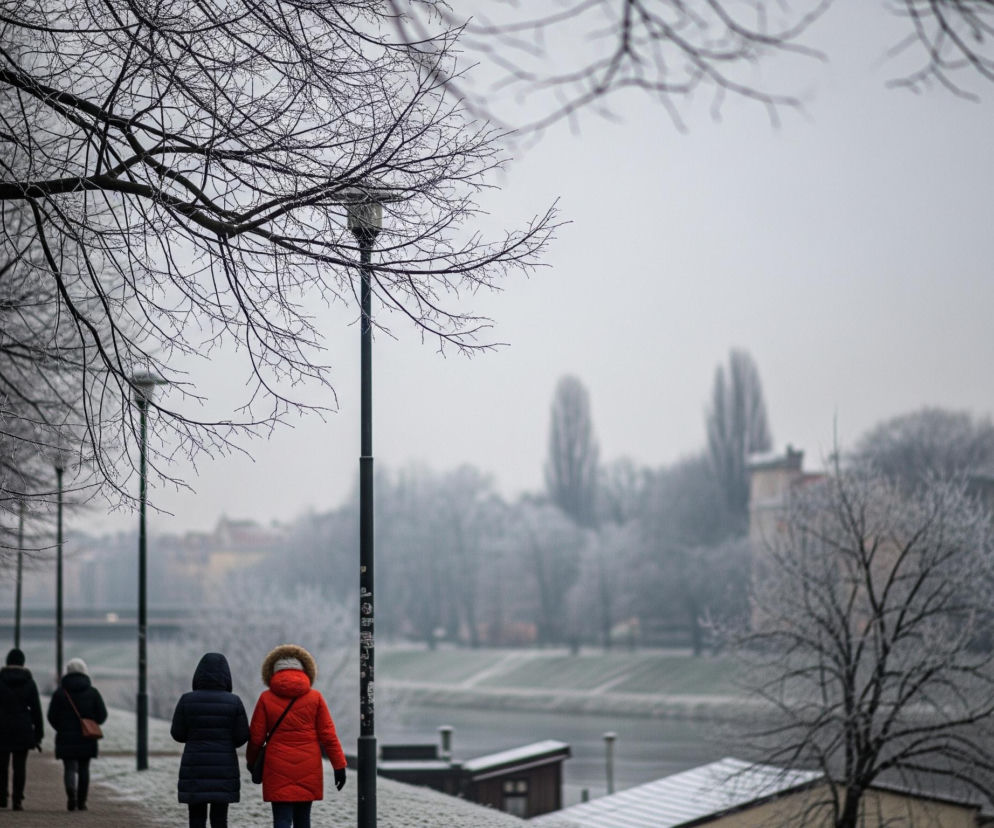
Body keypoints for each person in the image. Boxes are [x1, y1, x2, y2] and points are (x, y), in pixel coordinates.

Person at [247, 644, 347, 828]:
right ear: (305, 671)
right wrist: (339, 766)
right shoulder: (315, 698)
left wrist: (252, 761)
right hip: (308, 765)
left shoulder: (265, 698)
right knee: (303, 820)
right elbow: (329, 736)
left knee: (281, 820)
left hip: (276, 766)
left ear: (272, 671)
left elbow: (256, 737)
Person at [171, 652, 250, 828]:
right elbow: (242, 736)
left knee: (196, 818)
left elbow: (177, 734)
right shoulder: (234, 702)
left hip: (194, 765)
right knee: (220, 819)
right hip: (224, 766)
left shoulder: (187, 700)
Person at [47, 658, 107, 811]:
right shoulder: (93, 693)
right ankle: (82, 802)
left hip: (65, 737)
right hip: (87, 737)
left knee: (69, 767)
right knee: (84, 768)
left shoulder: (60, 693)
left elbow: (51, 716)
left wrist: (61, 728)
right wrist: (92, 723)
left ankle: (71, 795)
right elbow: (102, 715)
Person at [0, 648, 43, 810]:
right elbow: (36, 710)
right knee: (19, 766)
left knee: (1, 766)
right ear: (23, 663)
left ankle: (2, 796)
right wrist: (38, 734)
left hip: (2, 727)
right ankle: (17, 800)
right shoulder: (29, 682)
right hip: (22, 728)